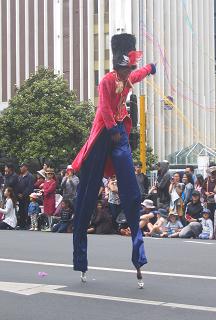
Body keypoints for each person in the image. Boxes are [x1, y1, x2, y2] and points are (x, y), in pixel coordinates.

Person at [71, 33, 156, 286]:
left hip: (119, 132)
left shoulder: (128, 77)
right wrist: (113, 131)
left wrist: (149, 69)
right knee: (87, 194)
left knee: (131, 192)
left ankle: (138, 256)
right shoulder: (107, 81)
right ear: (116, 66)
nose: (126, 71)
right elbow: (105, 108)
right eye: (123, 67)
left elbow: (138, 76)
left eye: (128, 67)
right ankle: (80, 259)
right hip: (104, 134)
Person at [17, 163, 34, 229]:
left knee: (26, 210)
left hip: (27, 197)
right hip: (20, 197)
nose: (20, 168)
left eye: (22, 167)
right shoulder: (20, 176)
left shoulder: (30, 176)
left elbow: (30, 188)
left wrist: (23, 194)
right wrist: (18, 193)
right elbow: (18, 186)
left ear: (26, 167)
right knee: (21, 211)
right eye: (20, 167)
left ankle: (27, 224)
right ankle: (21, 225)